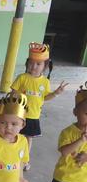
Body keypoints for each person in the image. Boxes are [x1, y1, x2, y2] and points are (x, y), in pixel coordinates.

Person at [39, 83, 87, 182]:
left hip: (84, 181)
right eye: (86, 113)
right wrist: (81, 141)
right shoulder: (67, 132)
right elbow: (64, 151)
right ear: (75, 112)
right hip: (64, 177)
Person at [11, 42, 67, 170]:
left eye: (38, 64)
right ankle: (11, 156)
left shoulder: (45, 82)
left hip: (33, 115)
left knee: (28, 139)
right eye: (31, 63)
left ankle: (25, 160)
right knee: (14, 135)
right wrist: (17, 97)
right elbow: (13, 92)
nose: (33, 66)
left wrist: (56, 93)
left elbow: (45, 98)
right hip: (19, 114)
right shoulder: (22, 77)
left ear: (45, 66)